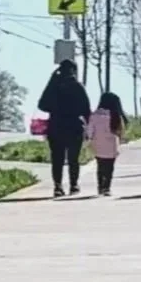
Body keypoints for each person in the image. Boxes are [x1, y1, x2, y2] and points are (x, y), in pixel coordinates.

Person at [37, 59, 91, 197]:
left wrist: (52, 80)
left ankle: (58, 186)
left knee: (57, 159)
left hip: (56, 126)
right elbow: (86, 109)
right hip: (74, 126)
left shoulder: (54, 86)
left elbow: (42, 105)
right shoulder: (78, 87)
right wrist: (89, 127)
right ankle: (73, 185)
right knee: (73, 159)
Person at [85, 91, 126, 196]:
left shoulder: (94, 115)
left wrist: (89, 141)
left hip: (98, 144)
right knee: (109, 167)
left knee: (100, 166)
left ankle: (100, 187)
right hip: (112, 145)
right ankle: (107, 187)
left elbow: (89, 131)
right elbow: (120, 132)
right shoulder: (116, 116)